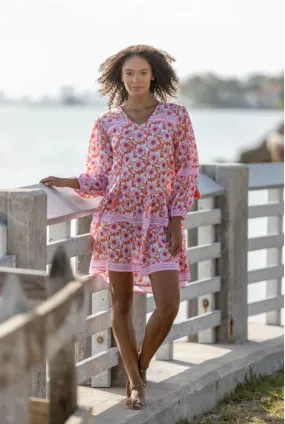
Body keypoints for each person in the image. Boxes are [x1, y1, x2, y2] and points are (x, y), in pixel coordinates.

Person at [40, 45, 200, 410]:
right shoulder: (107, 122)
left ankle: (138, 368)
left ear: (154, 75)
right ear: (120, 77)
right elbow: (99, 176)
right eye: (129, 73)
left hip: (160, 221)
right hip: (117, 221)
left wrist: (177, 218)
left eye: (142, 73)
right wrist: (68, 181)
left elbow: (188, 167)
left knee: (170, 304)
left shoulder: (175, 116)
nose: (136, 79)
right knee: (122, 303)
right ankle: (136, 384)